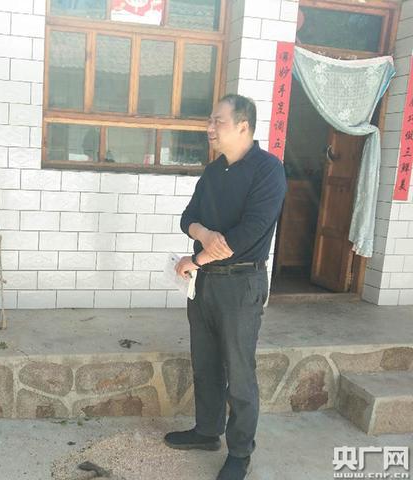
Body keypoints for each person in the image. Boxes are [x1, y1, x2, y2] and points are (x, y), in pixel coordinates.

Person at [164, 94, 287, 480]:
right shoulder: (214, 171)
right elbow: (188, 216)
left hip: (241, 284)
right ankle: (207, 431)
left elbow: (249, 233)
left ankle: (240, 452)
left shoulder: (268, 170)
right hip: (205, 285)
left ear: (243, 126)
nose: (210, 128)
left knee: (239, 371)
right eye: (210, 120)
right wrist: (203, 233)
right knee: (205, 362)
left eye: (218, 121)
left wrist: (197, 258)